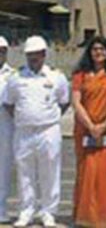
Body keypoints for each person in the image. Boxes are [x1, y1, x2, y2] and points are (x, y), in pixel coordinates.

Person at [2, 35, 69, 228]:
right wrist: (24, 117)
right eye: (30, 54)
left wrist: (47, 117)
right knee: (25, 173)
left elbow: (64, 102)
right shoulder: (16, 77)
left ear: (44, 54)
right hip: (23, 131)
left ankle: (48, 212)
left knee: (49, 171)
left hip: (48, 130)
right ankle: (26, 212)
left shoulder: (56, 76)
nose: (33, 58)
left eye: (37, 54)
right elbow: (8, 103)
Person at [71, 36, 106, 228]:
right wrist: (91, 126)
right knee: (86, 172)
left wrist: (102, 126)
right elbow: (76, 102)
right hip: (85, 130)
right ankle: (84, 217)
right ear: (89, 52)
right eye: (94, 49)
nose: (98, 52)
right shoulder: (80, 74)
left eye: (102, 49)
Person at [0, 36, 14, 223]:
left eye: (2, 51)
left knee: (3, 168)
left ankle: (0, 208)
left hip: (5, 123)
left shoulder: (13, 75)